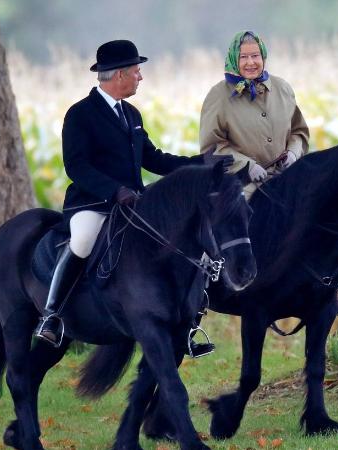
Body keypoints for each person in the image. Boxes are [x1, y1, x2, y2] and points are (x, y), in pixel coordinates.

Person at [35, 40, 231, 346]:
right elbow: (76, 166)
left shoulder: (132, 114)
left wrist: (201, 164)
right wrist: (115, 191)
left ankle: (187, 322)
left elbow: (154, 158)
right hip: (93, 204)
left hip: (134, 204)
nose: (141, 77)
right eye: (137, 71)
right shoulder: (80, 114)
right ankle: (52, 315)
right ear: (119, 75)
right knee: (83, 241)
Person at [199, 31, 338, 314]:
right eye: (244, 57)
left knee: (318, 215)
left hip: (285, 177)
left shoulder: (283, 88)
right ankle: (209, 285)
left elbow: (299, 131)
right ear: (234, 59)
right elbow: (212, 145)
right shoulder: (218, 96)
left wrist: (295, 153)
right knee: (238, 222)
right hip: (239, 181)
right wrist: (248, 165)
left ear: (263, 57)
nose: (250, 63)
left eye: (255, 56)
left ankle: (326, 290)